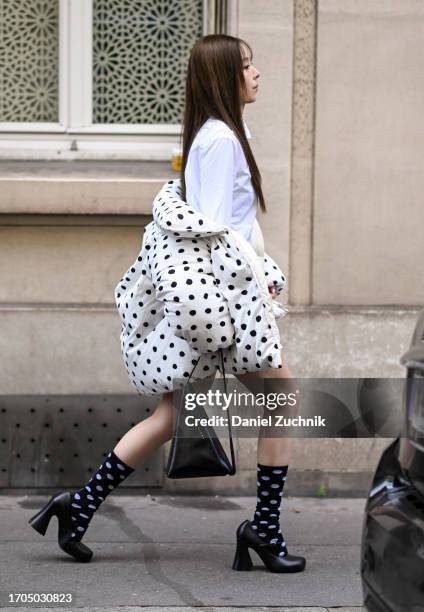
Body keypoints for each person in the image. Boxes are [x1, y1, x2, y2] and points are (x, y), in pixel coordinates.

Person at [28, 34, 306, 573]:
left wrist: (257, 271)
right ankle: (263, 530)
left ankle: (77, 508)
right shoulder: (221, 140)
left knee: (168, 416)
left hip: (216, 300)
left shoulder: (220, 133)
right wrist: (247, 287)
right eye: (247, 65)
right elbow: (212, 233)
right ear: (225, 76)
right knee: (283, 400)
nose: (257, 73)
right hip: (223, 305)